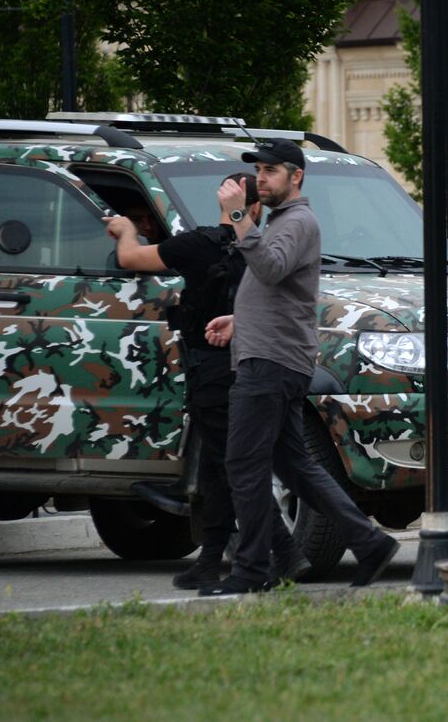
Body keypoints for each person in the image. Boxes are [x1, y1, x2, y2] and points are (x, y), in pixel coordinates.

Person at [201, 138, 399, 595]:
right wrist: (240, 319)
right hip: (272, 357)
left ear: (297, 176)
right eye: (260, 170)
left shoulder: (297, 221)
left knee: (242, 465)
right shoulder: (281, 222)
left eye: (271, 171)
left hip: (270, 366)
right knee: (296, 467)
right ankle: (368, 543)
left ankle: (251, 570)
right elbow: (280, 289)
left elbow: (269, 269)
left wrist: (235, 217)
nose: (261, 179)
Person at [106, 174, 311, 590]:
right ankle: (212, 556)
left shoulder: (196, 245)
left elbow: (129, 259)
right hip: (256, 368)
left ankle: (286, 553)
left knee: (236, 470)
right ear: (256, 208)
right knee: (218, 468)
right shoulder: (266, 253)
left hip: (212, 373)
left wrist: (127, 229)